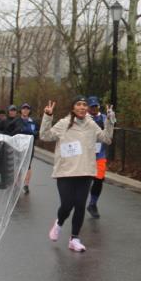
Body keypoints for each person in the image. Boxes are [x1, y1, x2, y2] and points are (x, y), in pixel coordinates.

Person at [40, 96, 116, 252]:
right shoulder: (63, 124)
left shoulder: (91, 124)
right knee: (67, 205)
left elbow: (107, 139)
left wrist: (109, 120)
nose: (82, 107)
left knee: (80, 206)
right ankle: (59, 223)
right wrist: (48, 116)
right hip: (66, 172)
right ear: (73, 108)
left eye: (84, 105)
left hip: (85, 171)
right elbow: (44, 135)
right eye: (78, 104)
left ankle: (74, 239)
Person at [85, 96, 109, 219]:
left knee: (99, 180)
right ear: (88, 107)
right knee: (84, 181)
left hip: (100, 154)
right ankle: (79, 203)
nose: (94, 108)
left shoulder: (104, 118)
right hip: (85, 155)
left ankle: (92, 204)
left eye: (95, 106)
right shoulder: (84, 118)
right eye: (91, 106)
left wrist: (111, 118)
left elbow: (110, 131)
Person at [19, 103, 39, 194]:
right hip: (18, 146)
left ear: (29, 111)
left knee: (28, 165)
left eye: (27, 109)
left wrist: (34, 134)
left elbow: (37, 133)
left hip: (29, 146)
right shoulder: (17, 121)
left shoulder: (33, 122)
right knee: (18, 165)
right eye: (24, 108)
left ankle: (26, 185)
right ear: (21, 110)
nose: (25, 110)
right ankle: (16, 185)